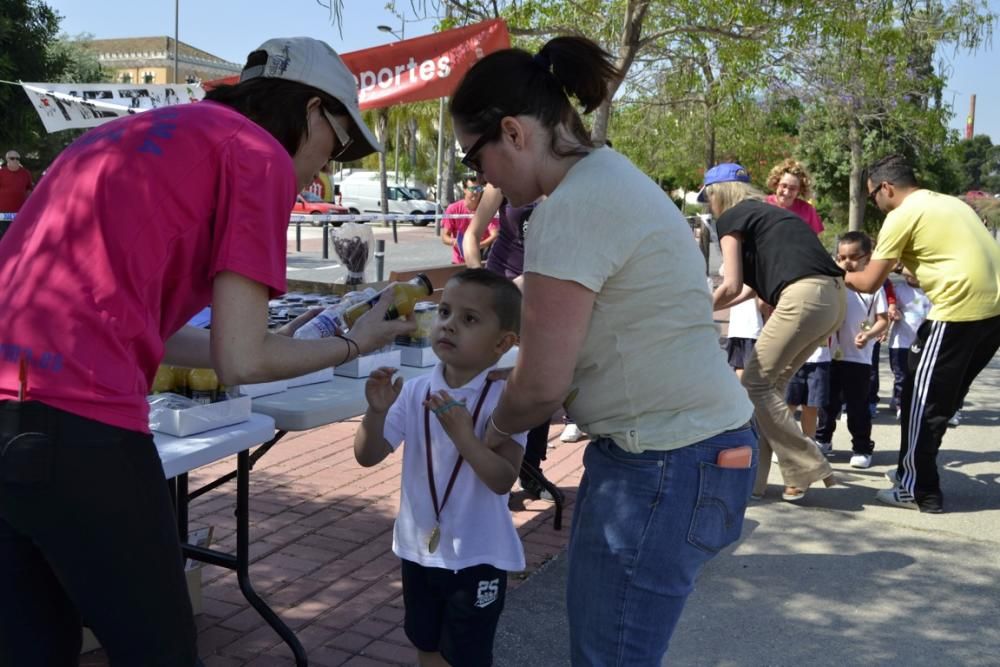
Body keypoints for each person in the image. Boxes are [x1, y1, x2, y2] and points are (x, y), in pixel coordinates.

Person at [0, 37, 412, 665]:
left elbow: (161, 334)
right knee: (159, 650)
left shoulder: (127, 136)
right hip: (82, 426)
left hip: (15, 409)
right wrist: (355, 343)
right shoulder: (258, 155)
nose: (328, 167)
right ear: (309, 111)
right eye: (340, 141)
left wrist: (294, 345)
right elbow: (244, 360)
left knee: (32, 647)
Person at [452, 37, 757, 665]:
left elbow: (540, 383)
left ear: (512, 132)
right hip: (693, 452)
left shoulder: (571, 207)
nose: (479, 179)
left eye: (472, 158)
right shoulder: (607, 177)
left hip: (663, 464)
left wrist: (490, 430)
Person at [354, 269, 526, 667]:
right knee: (426, 644)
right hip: (418, 550)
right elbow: (368, 455)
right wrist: (375, 414)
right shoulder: (415, 389)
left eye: (469, 319)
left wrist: (465, 436)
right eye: (445, 311)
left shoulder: (509, 399)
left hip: (477, 554)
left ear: (503, 343)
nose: (448, 324)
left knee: (466, 655)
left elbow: (503, 480)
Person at [847, 155, 1000, 513]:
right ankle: (910, 471)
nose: (876, 204)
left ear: (886, 188)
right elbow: (931, 268)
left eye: (873, 197)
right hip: (992, 313)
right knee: (939, 400)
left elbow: (869, 282)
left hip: (958, 311)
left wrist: (832, 273)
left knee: (920, 403)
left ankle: (915, 490)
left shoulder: (900, 215)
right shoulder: (947, 202)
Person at [707, 162, 846, 502]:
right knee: (770, 389)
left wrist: (695, 310)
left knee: (753, 382)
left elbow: (730, 284)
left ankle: (808, 463)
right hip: (832, 298)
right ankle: (757, 480)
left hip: (803, 297)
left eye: (708, 198)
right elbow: (749, 289)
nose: (709, 206)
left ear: (718, 194)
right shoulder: (769, 217)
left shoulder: (732, 218)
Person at [461, 185, 558, 500]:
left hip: (539, 293)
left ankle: (529, 468)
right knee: (486, 380)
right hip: (497, 293)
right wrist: (482, 285)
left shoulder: (562, 186)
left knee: (534, 377)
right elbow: (471, 236)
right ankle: (477, 461)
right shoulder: (501, 181)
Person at [814, 232, 889, 469]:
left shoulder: (875, 287)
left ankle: (862, 447)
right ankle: (823, 439)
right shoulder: (834, 282)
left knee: (857, 405)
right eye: (842, 256)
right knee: (827, 403)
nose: (847, 262)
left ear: (868, 258)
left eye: (854, 257)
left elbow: (883, 319)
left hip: (858, 358)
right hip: (829, 355)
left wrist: (868, 335)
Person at [887, 266, 931, 420]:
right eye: (908, 274)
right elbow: (892, 307)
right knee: (900, 374)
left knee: (916, 374)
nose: (911, 277)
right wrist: (894, 313)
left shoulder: (931, 291)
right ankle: (899, 401)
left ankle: (903, 403)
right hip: (901, 341)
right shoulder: (899, 289)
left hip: (922, 343)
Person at [441, 175, 499, 264]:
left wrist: (478, 245)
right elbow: (445, 237)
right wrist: (455, 242)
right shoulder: (452, 209)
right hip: (459, 261)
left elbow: (494, 234)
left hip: (482, 260)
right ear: (464, 189)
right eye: (472, 189)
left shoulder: (487, 208)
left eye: (479, 189)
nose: (476, 192)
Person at [765, 158, 823, 234]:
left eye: (793, 188)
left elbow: (814, 240)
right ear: (776, 183)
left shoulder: (808, 211)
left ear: (800, 190)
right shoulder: (763, 203)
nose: (787, 192)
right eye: (784, 186)